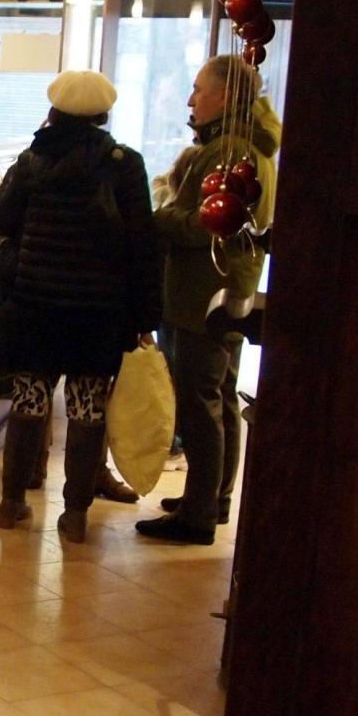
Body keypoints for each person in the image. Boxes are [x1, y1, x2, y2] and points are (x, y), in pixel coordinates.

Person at [0, 71, 160, 543]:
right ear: (102, 115)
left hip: (33, 309)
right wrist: (145, 318)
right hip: (97, 317)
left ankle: (11, 502)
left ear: (55, 110)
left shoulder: (34, 160)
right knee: (87, 410)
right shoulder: (125, 166)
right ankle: (75, 515)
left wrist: (16, 267)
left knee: (28, 402)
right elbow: (144, 246)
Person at [135, 55, 281, 545]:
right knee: (219, 395)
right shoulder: (243, 147)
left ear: (225, 96)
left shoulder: (228, 150)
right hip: (227, 286)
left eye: (198, 89)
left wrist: (159, 217)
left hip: (203, 290)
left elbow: (205, 223)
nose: (191, 99)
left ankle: (199, 513)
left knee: (201, 402)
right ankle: (211, 496)